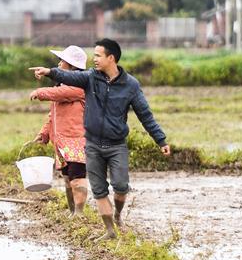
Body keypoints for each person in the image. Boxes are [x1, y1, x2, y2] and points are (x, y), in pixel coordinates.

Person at [30, 38, 171, 241]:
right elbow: (57, 100)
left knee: (115, 186)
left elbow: (145, 115)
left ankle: (111, 215)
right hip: (80, 143)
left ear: (110, 58)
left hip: (98, 143)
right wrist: (49, 72)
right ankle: (103, 228)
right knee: (84, 184)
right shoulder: (88, 78)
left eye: (98, 55)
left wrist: (161, 140)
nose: (94, 59)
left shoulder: (117, 85)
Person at [30, 46, 89, 216]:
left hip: (76, 141)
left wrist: (40, 92)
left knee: (77, 179)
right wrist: (44, 133)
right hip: (61, 142)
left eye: (62, 61)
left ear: (71, 66)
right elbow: (52, 115)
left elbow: (60, 93)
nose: (59, 63)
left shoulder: (79, 88)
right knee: (67, 179)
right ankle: (73, 213)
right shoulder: (61, 85)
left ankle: (79, 213)